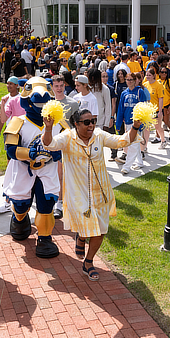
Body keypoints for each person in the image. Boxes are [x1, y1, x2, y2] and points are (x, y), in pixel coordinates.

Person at [42, 108, 142, 281]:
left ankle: (88, 262)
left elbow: (122, 141)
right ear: (76, 124)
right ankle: (81, 236)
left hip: (101, 193)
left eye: (93, 121)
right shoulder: (67, 137)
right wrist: (49, 128)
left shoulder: (99, 135)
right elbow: (49, 144)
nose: (92, 125)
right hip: (78, 194)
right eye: (87, 122)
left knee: (100, 230)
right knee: (86, 225)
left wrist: (134, 126)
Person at [2, 77, 67, 258]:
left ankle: (45, 238)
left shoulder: (60, 123)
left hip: (48, 169)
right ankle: (20, 219)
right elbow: (10, 149)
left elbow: (68, 145)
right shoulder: (18, 121)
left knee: (46, 204)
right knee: (21, 204)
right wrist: (30, 154)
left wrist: (54, 154)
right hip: (23, 169)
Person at [116, 71, 150, 173]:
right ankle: (139, 162)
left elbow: (144, 108)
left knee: (132, 144)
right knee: (134, 143)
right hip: (127, 122)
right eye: (127, 80)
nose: (129, 82)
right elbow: (120, 109)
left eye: (131, 80)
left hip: (137, 123)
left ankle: (126, 166)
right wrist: (118, 124)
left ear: (135, 81)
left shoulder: (140, 92)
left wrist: (142, 124)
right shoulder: (124, 93)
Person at [143, 68, 166, 148]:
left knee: (157, 127)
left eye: (149, 75)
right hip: (147, 110)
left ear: (154, 76)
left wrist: (160, 111)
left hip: (155, 109)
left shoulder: (158, 85)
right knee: (146, 128)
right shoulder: (145, 84)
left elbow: (160, 98)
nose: (148, 76)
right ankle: (145, 146)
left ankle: (163, 140)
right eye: (147, 75)